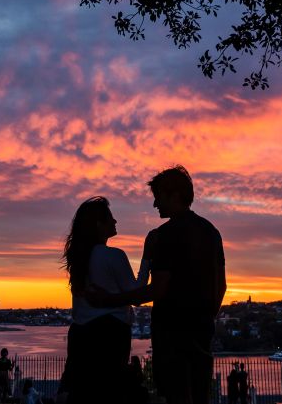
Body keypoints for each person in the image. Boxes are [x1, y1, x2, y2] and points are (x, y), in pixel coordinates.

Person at [88, 165, 227, 404]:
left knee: (175, 396)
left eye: (158, 197)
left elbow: (156, 289)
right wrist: (205, 318)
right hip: (202, 332)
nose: (155, 205)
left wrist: (107, 300)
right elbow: (221, 286)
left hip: (171, 334)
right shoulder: (211, 232)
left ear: (174, 195)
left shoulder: (164, 235)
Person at [60, 196, 151, 404]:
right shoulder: (113, 255)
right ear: (99, 225)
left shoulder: (79, 258)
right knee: (109, 391)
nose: (115, 222)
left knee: (84, 391)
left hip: (80, 333)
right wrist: (147, 258)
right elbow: (136, 292)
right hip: (111, 333)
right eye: (111, 218)